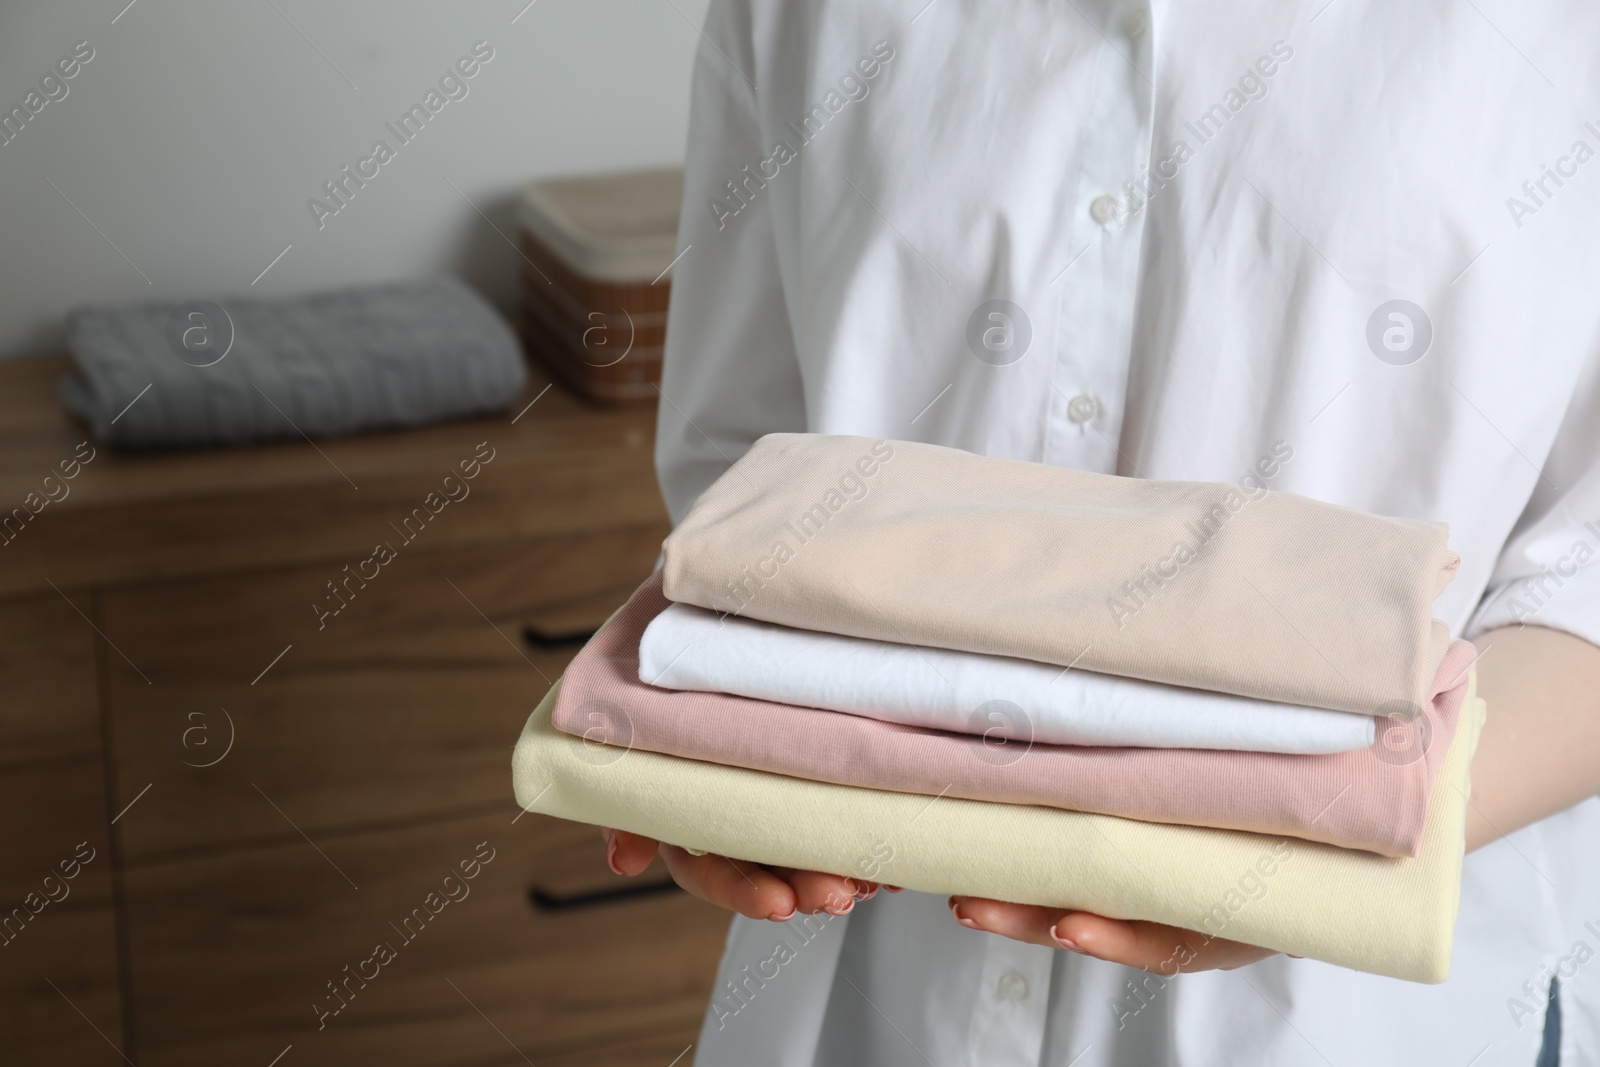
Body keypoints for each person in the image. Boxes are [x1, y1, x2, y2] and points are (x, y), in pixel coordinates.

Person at [602, 1, 1600, 1063]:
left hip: (1360, 1014)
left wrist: (1319, 836)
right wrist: (706, 758)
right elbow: (741, 470)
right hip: (868, 986)